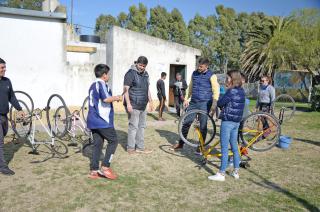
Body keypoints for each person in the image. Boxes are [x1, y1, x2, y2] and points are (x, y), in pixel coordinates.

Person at [172, 57, 220, 151]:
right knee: (186, 123)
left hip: (205, 103)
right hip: (193, 102)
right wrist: (186, 99)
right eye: (198, 66)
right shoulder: (194, 73)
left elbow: (216, 90)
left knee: (203, 126)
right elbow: (190, 87)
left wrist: (214, 103)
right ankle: (181, 143)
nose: (199, 68)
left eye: (201, 67)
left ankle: (201, 147)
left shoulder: (212, 75)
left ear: (206, 66)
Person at [208, 70, 245, 182]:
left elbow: (220, 103)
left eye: (228, 78)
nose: (226, 80)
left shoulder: (231, 91)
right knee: (234, 147)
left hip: (228, 121)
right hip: (236, 122)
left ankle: (221, 173)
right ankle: (236, 171)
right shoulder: (242, 91)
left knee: (224, 148)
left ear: (232, 79)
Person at [87, 64, 121, 180]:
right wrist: (117, 97)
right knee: (114, 141)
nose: (109, 76)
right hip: (102, 121)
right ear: (104, 75)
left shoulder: (92, 85)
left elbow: (102, 100)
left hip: (92, 120)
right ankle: (105, 167)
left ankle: (94, 170)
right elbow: (105, 98)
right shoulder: (101, 84)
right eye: (108, 74)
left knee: (98, 144)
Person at [123, 56, 153, 154]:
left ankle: (140, 147)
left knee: (142, 126)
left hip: (143, 105)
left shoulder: (146, 74)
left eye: (144, 66)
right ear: (137, 63)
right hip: (133, 104)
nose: (142, 67)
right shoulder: (130, 74)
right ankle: (130, 148)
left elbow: (147, 89)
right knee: (133, 126)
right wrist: (128, 104)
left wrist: (151, 101)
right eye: (140, 65)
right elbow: (126, 90)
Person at [0, 58, 24, 175]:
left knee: (3, 135)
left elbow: (12, 97)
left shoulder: (7, 81)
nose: (4, 70)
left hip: (4, 116)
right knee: (0, 142)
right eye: (2, 68)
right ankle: (3, 166)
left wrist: (19, 109)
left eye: (4, 67)